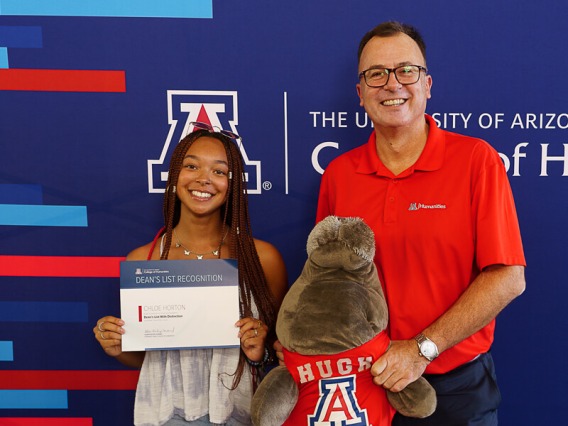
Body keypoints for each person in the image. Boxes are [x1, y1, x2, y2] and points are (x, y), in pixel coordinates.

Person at [315, 22, 526, 425]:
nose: (392, 84)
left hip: (457, 390)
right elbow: (327, 280)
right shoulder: (339, 176)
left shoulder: (475, 160)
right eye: (376, 73)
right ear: (360, 94)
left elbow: (508, 277)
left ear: (427, 84)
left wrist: (420, 349)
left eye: (406, 71)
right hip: (363, 385)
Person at [94, 122, 288, 426]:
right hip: (163, 415)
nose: (204, 179)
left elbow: (282, 353)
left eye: (219, 171)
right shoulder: (143, 260)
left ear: (233, 184)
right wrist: (118, 347)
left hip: (242, 414)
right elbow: (147, 358)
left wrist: (258, 351)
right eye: (191, 166)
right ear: (174, 176)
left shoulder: (263, 259)